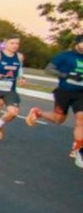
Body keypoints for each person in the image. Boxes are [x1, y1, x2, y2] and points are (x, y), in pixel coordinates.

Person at [25, 33, 83, 167]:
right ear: (78, 43)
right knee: (59, 119)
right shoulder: (65, 56)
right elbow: (48, 69)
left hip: (81, 93)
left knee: (81, 119)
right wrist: (66, 75)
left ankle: (77, 148)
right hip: (64, 92)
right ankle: (38, 113)